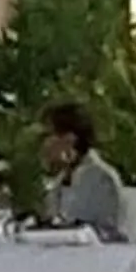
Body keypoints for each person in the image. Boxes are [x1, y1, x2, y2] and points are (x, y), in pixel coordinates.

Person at [43, 102, 127, 242]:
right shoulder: (61, 179)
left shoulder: (101, 178)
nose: (45, 144)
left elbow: (108, 233)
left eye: (49, 135)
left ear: (69, 139)